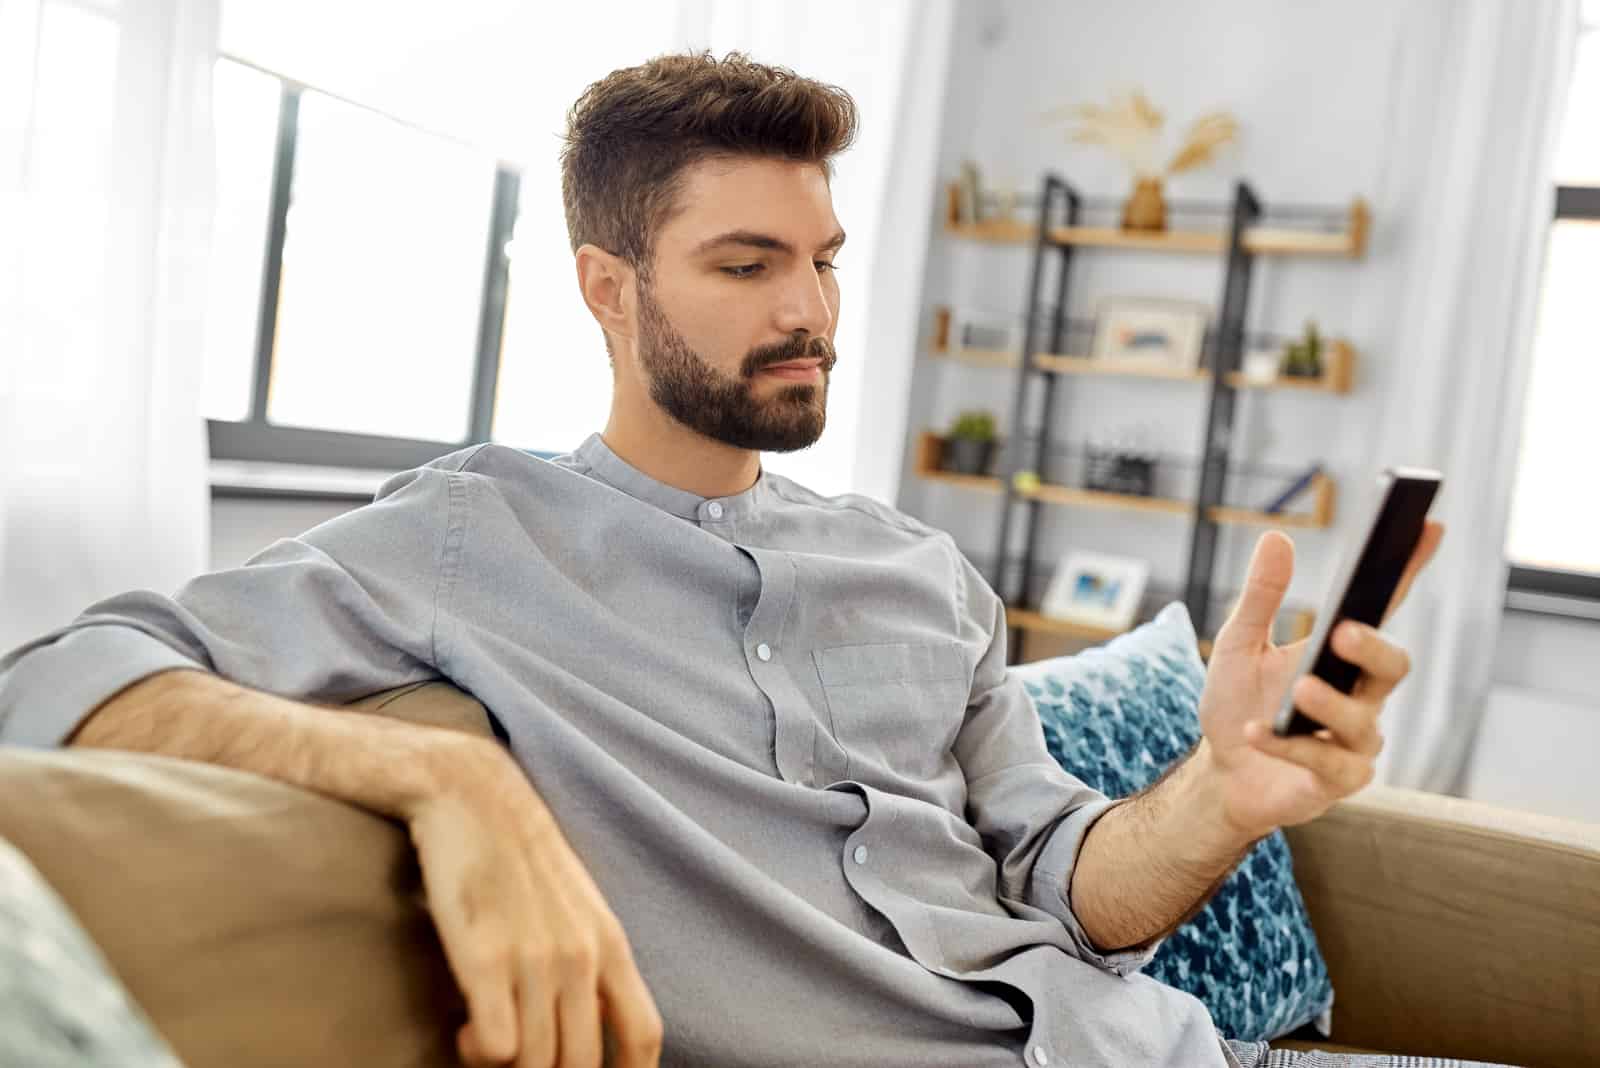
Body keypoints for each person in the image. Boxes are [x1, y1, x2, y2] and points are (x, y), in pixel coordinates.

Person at [0, 51, 1482, 1068]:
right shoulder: (468, 539)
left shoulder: (918, 569)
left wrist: (1224, 797)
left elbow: (1072, 885)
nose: (812, 312)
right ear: (607, 286)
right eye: (746, 264)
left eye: (824, 257)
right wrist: (441, 777)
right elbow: (62, 670)